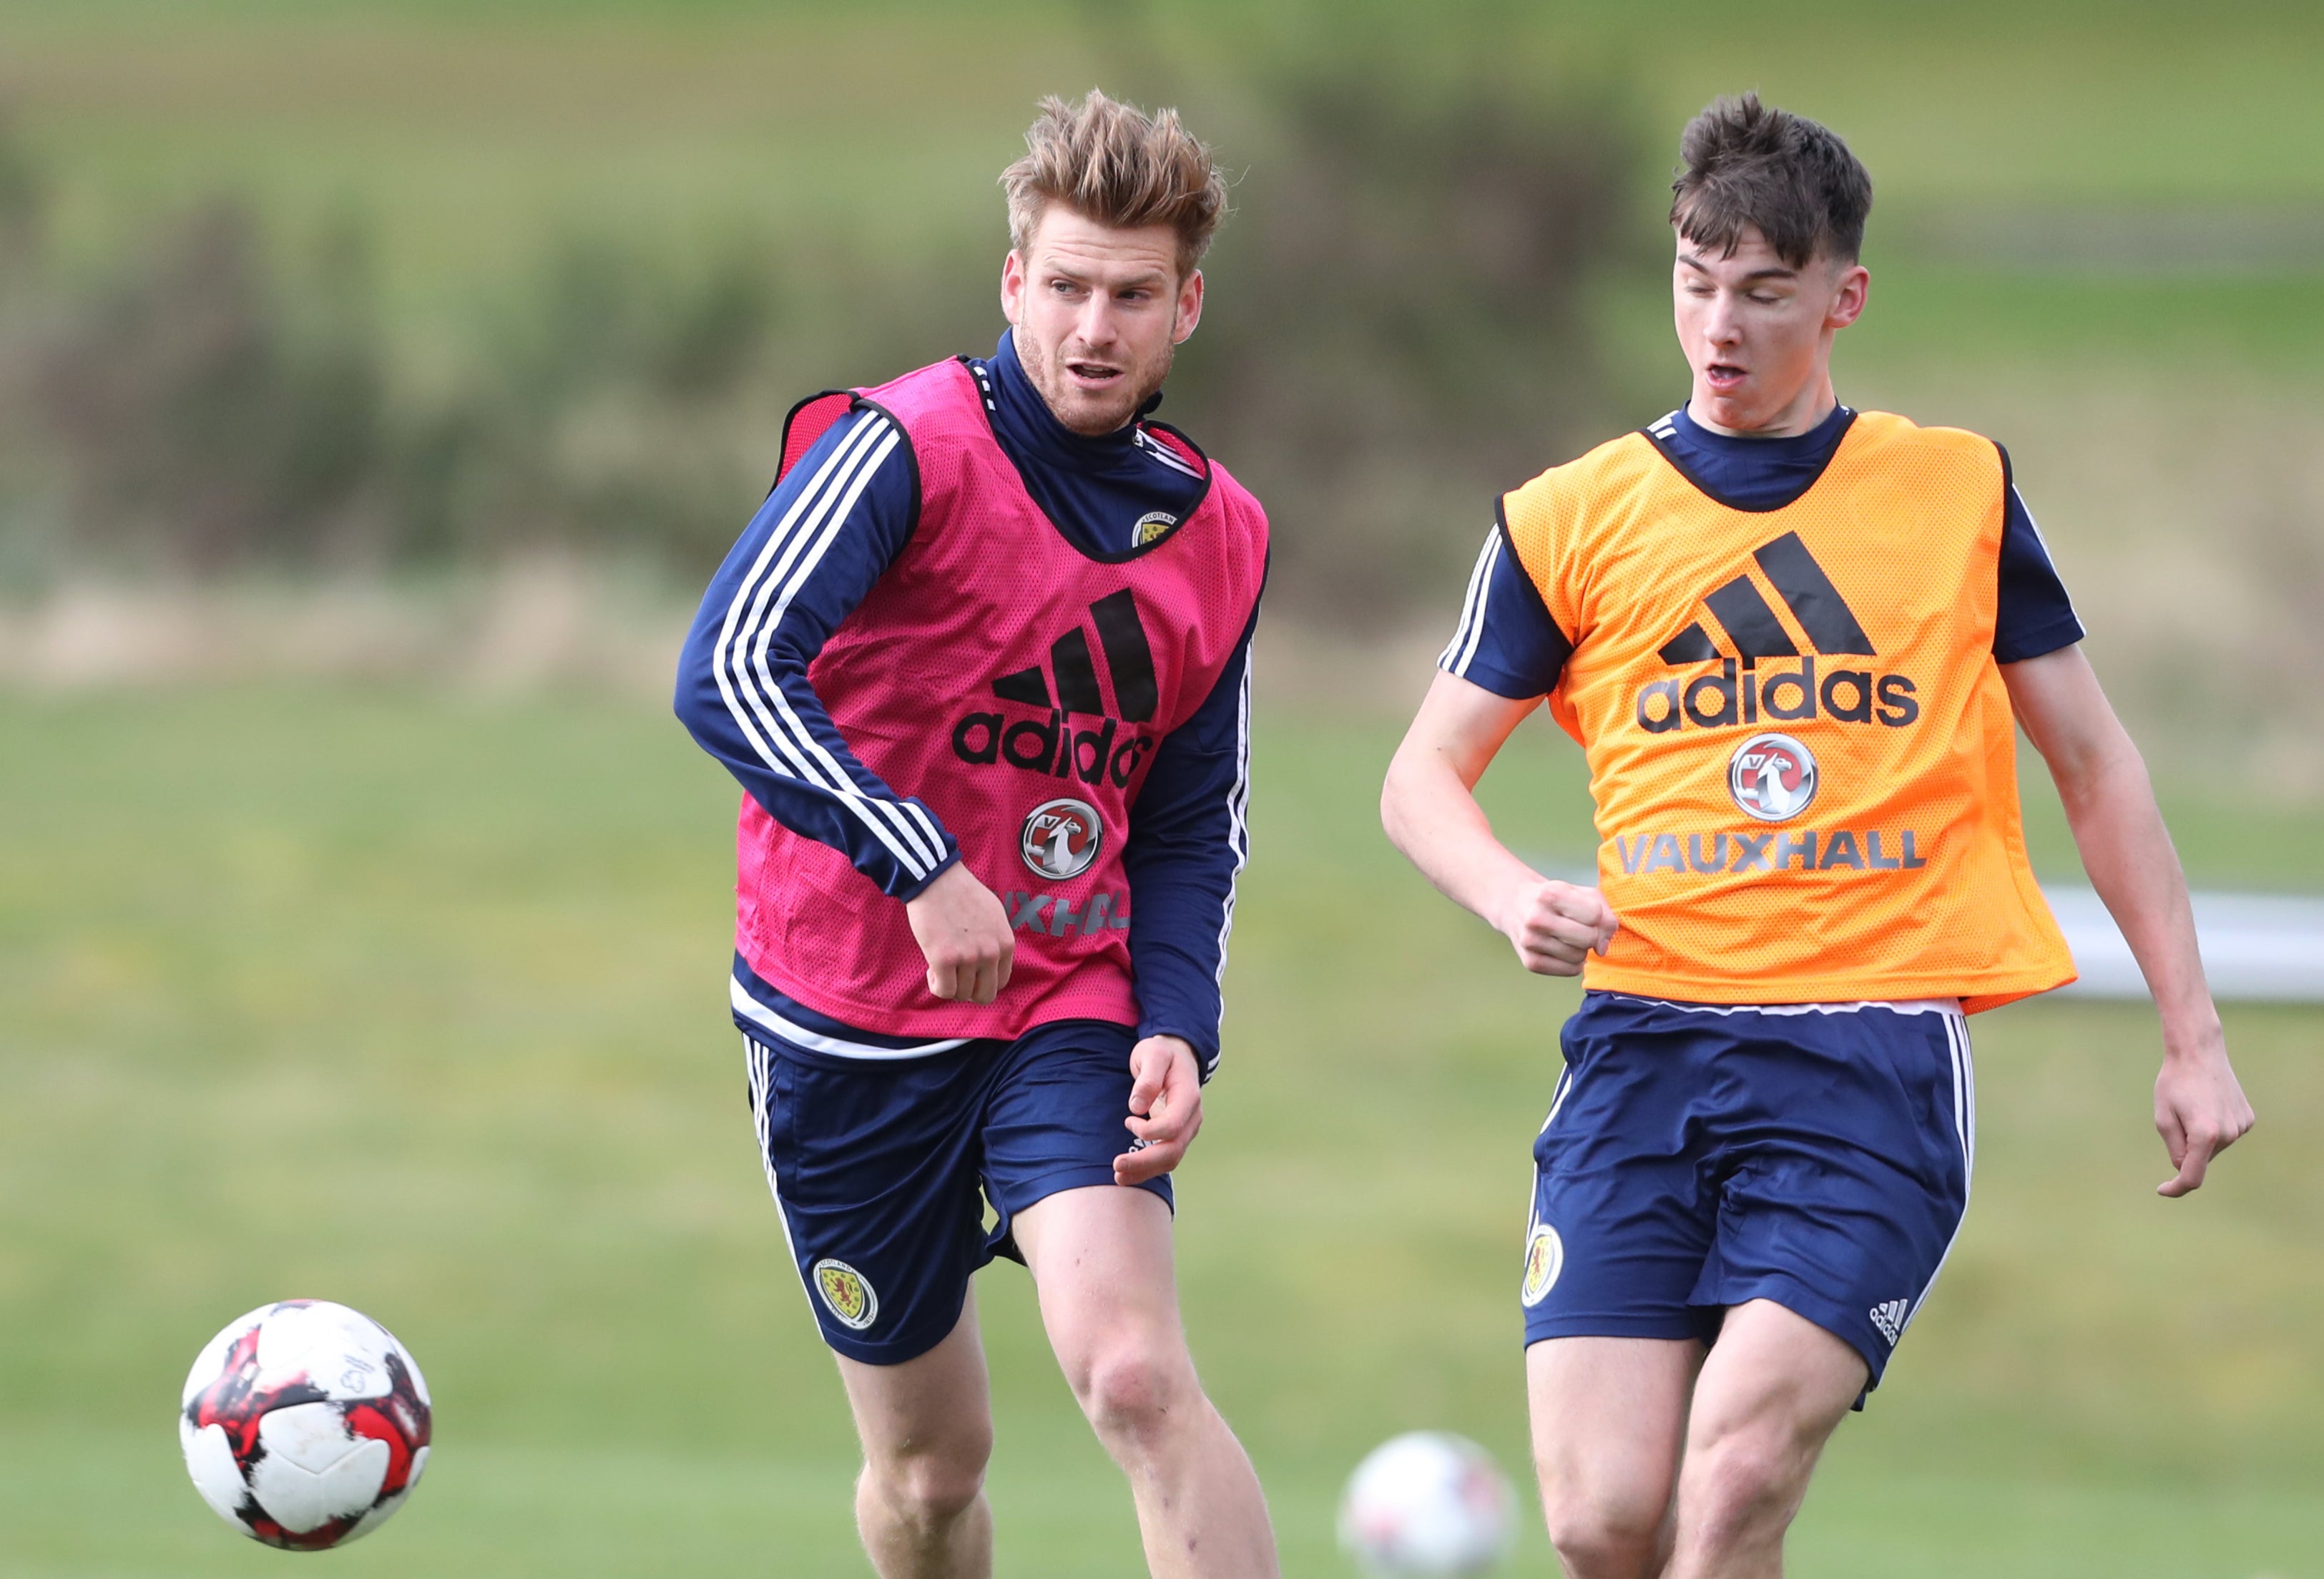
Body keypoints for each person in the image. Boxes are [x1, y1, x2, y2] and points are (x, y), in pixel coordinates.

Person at [1381, 93, 2254, 1579]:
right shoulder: (1564, 518)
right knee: (1604, 1522)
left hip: (1864, 1061)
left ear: (1841, 298)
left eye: (1762, 294)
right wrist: (1505, 892)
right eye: (1692, 283)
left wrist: (2190, 1034)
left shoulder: (1954, 494)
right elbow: (1419, 778)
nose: (1717, 327)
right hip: (1640, 1050)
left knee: (1729, 1485)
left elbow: (2095, 768)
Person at [674, 91, 1275, 1579]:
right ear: (1012, 283)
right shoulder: (902, 449)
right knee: (932, 1473)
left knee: (1134, 1378)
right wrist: (919, 862)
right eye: (1065, 285)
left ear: (1183, 308)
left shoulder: (1220, 533)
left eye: (1131, 295)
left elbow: (1191, 818)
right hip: (842, 1017)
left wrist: (1179, 1024)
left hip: (1064, 1000)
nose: (1093, 323)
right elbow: (728, 669)